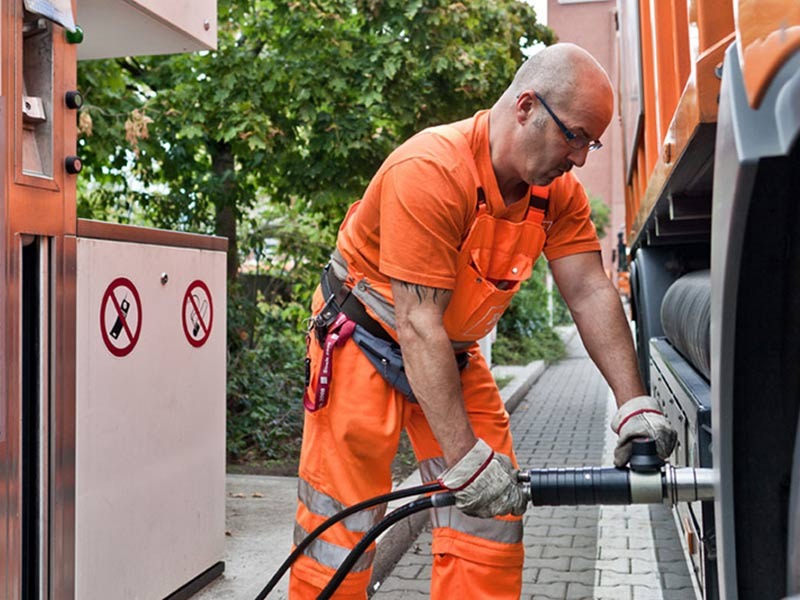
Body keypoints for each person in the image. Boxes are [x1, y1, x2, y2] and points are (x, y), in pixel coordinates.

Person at [289, 42, 677, 599]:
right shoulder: (431, 170)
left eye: (592, 142)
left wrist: (632, 403)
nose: (581, 159)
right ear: (525, 107)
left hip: (447, 350)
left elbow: (591, 291)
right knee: (342, 522)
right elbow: (417, 321)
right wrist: (462, 460)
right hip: (363, 342)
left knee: (493, 513)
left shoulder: (556, 196)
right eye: (575, 136)